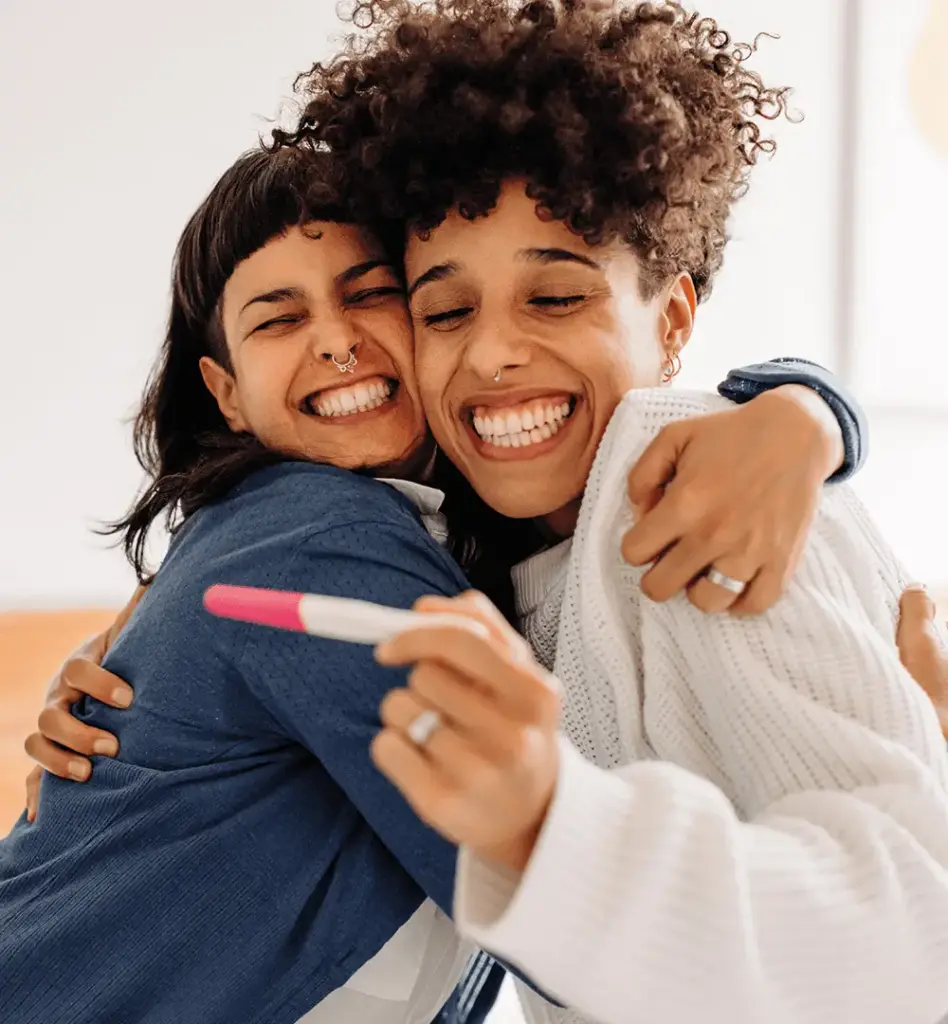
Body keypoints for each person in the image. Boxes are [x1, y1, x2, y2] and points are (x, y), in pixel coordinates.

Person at [2, 143, 866, 1024]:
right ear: (226, 394)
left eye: (369, 293)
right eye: (277, 318)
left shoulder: (428, 539)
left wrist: (808, 409)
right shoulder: (316, 535)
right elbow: (583, 932)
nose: (337, 340)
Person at [267, 2, 948, 1022]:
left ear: (671, 316)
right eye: (446, 311)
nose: (491, 352)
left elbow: (910, 932)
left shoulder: (687, 487)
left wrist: (555, 823)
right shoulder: (486, 549)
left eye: (555, 298)